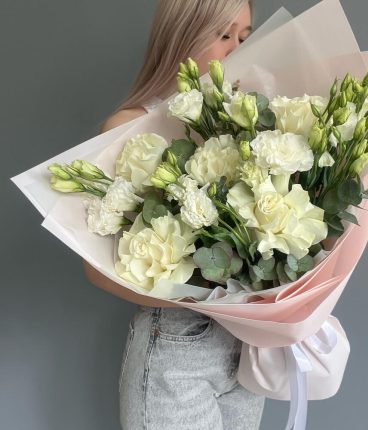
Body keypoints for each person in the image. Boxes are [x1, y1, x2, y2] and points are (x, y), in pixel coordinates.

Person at [83, 1, 266, 429]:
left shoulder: (245, 124)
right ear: (184, 33)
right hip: (176, 348)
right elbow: (95, 271)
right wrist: (205, 296)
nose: (236, 49)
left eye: (244, 37)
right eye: (224, 35)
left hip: (246, 354)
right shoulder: (128, 126)